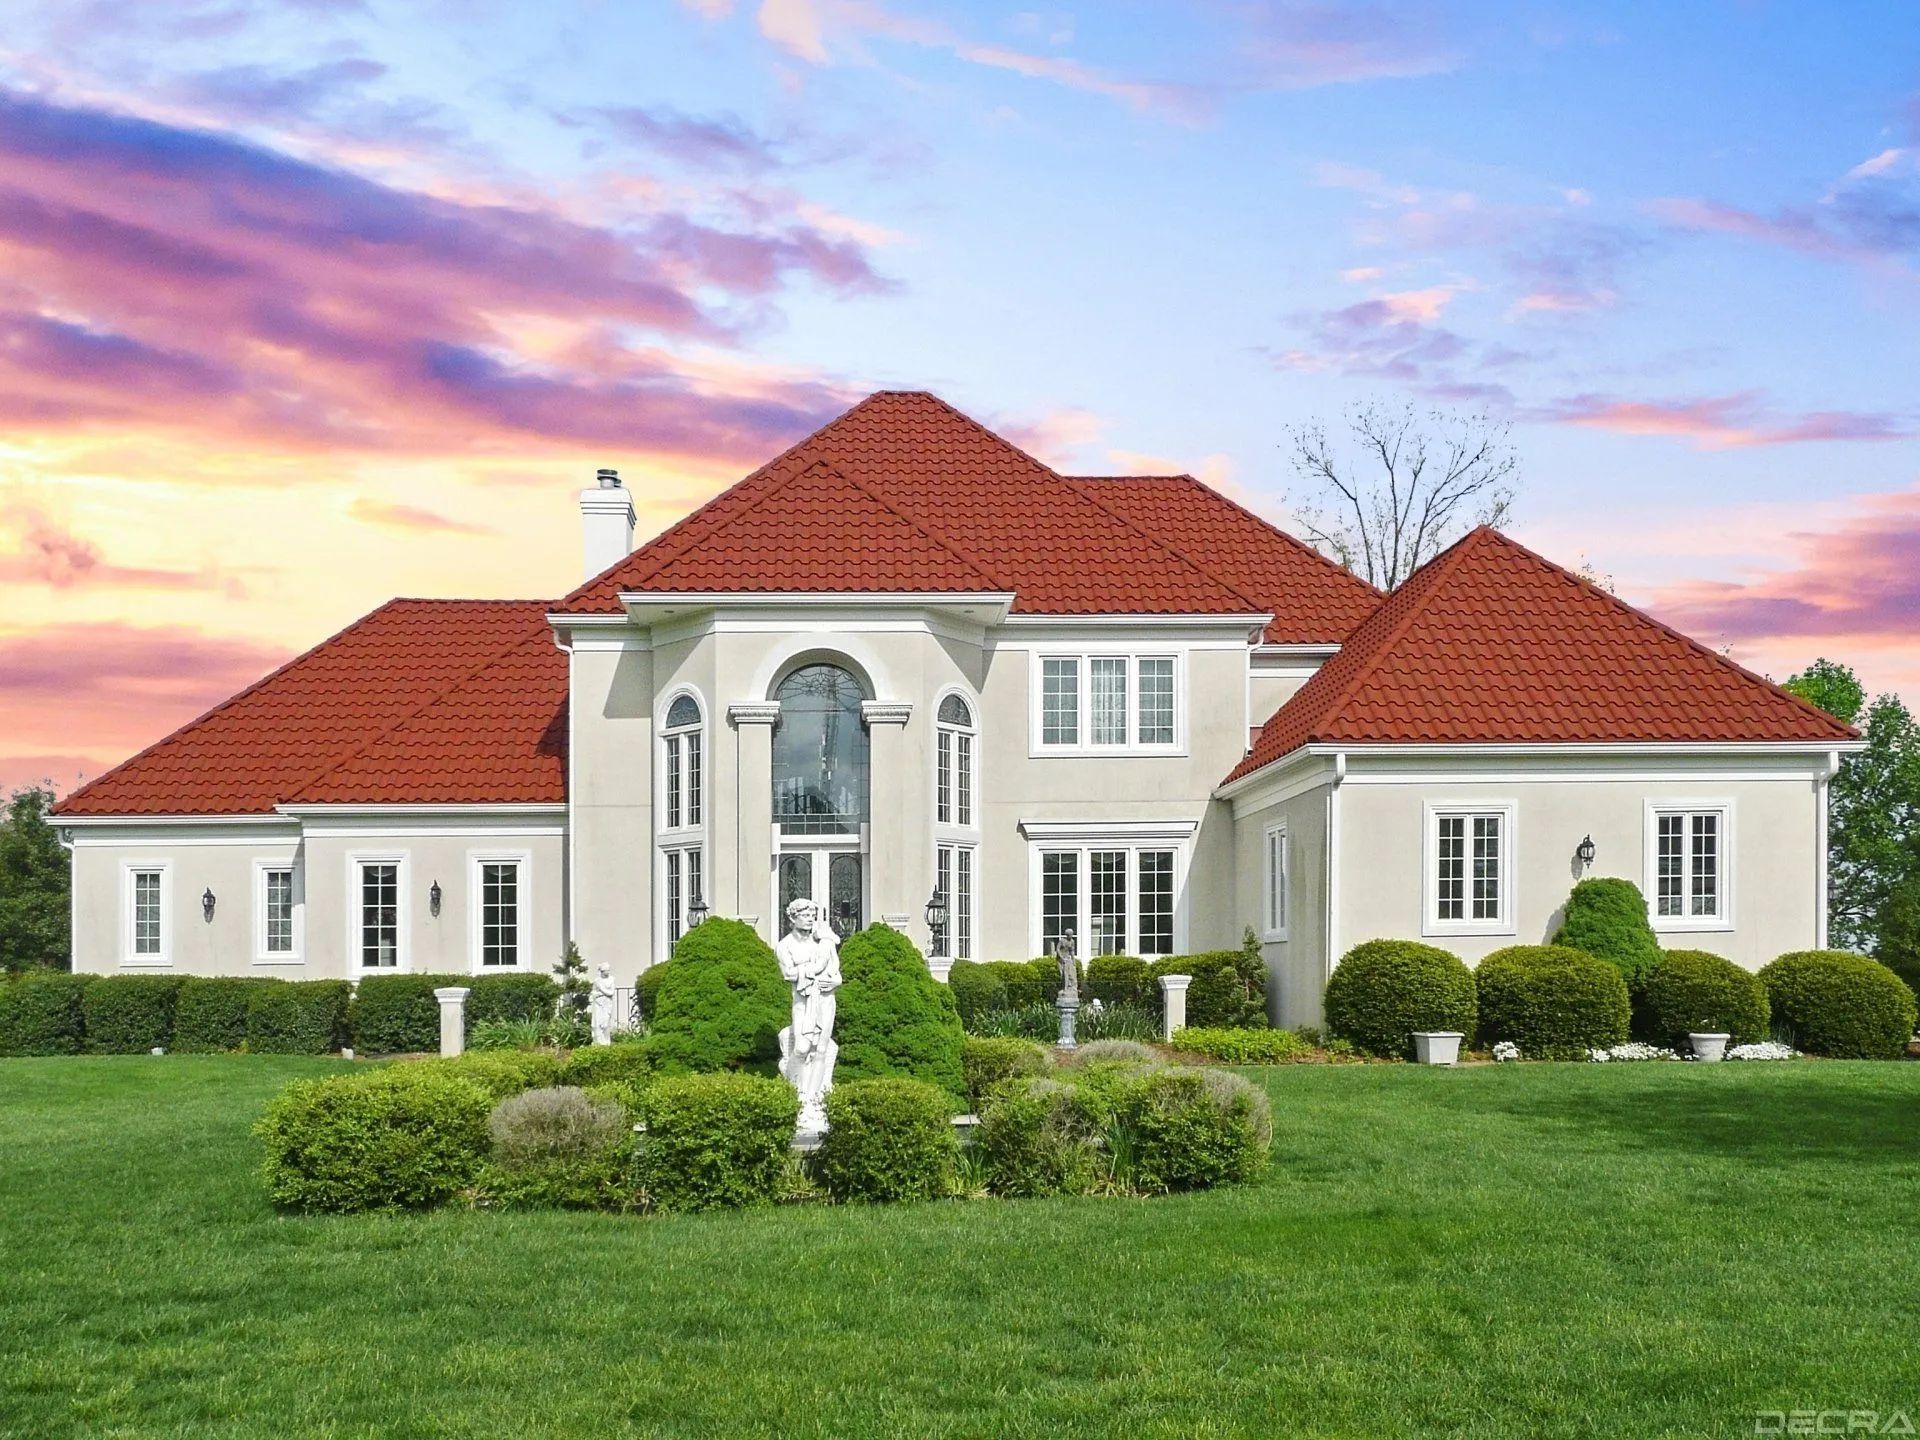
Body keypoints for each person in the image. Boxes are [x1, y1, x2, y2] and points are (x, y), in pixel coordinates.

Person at [774, 898, 842, 1130]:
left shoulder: (823, 942)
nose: (811, 918)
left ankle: (813, 1100)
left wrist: (832, 983)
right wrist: (811, 971)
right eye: (805, 914)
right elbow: (788, 974)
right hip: (803, 1001)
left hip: (825, 1000)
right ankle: (796, 1093)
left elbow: (838, 974)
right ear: (792, 918)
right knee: (802, 1048)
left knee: (821, 1049)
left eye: (813, 914)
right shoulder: (785, 945)